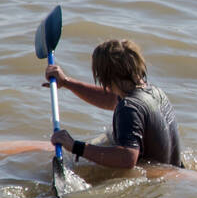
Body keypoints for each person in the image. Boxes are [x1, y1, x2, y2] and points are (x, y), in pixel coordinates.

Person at [45, 38, 185, 169]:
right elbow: (110, 99)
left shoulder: (129, 107)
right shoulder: (154, 93)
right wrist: (67, 82)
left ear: (105, 76)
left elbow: (127, 157)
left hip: (151, 182)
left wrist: (75, 146)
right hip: (172, 174)